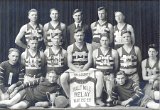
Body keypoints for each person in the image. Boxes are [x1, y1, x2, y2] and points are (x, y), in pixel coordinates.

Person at [60, 28, 104, 106]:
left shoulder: (89, 46)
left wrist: (83, 69)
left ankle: (98, 98)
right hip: (74, 68)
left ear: (84, 36)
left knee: (100, 75)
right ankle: (70, 98)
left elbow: (90, 61)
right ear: (74, 36)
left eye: (81, 35)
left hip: (86, 68)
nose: (79, 37)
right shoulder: (70, 47)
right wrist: (77, 70)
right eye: (77, 35)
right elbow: (69, 63)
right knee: (63, 77)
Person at [0, 70, 69, 109]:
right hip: (27, 92)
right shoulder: (42, 79)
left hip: (31, 101)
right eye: (50, 76)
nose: (52, 78)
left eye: (54, 77)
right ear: (47, 76)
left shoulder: (57, 87)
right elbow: (27, 84)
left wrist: (46, 103)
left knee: (14, 108)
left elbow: (54, 100)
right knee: (11, 102)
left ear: (57, 78)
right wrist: (17, 89)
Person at [92, 34, 119, 105]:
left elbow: (116, 67)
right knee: (99, 76)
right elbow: (94, 66)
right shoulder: (95, 52)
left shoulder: (114, 52)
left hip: (109, 74)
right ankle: (98, 98)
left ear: (109, 41)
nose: (104, 42)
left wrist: (111, 74)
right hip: (98, 76)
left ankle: (109, 98)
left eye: (106, 40)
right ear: (100, 41)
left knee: (110, 80)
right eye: (102, 40)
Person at [140, 44, 160, 109]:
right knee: (146, 95)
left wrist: (155, 78)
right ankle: (154, 102)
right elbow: (144, 77)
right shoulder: (144, 62)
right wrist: (153, 77)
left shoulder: (159, 62)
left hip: (158, 83)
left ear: (157, 53)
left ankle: (157, 101)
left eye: (153, 51)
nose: (151, 53)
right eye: (150, 51)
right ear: (148, 52)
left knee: (156, 83)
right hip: (148, 83)